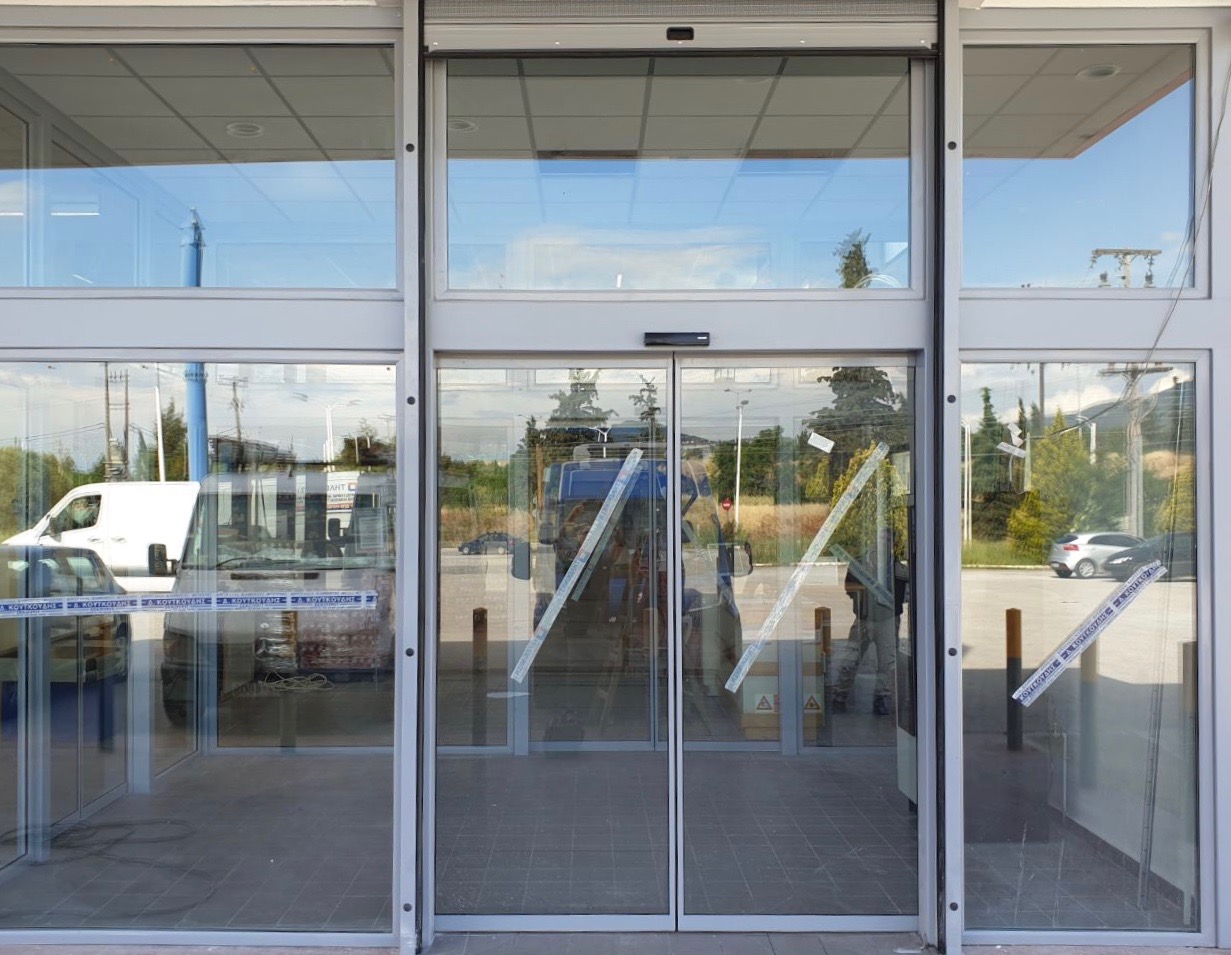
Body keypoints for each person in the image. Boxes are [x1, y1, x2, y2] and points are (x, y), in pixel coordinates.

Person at [828, 527, 908, 716]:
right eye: (880, 539)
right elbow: (849, 588)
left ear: (893, 544)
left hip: (888, 620)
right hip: (863, 619)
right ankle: (839, 697)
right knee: (850, 659)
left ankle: (882, 699)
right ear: (873, 541)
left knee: (887, 664)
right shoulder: (858, 564)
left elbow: (908, 593)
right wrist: (864, 600)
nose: (883, 543)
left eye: (888, 540)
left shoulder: (899, 569)